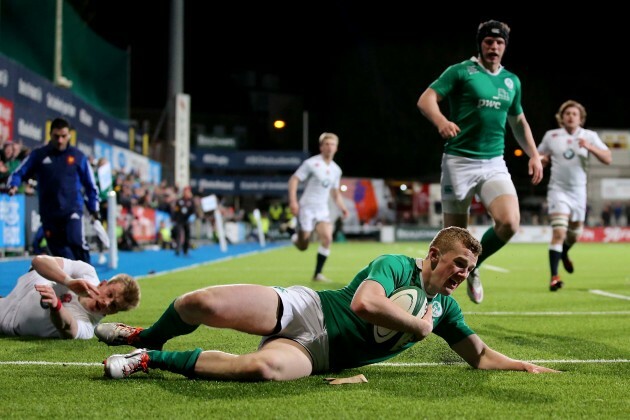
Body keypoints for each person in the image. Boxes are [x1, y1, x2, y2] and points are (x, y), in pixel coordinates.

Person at [94, 226, 559, 381]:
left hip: (317, 355)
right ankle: (147, 333)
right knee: (201, 302)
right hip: (307, 309)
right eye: (458, 264)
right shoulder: (396, 265)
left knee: (262, 371)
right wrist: (417, 328)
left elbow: (478, 356)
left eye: (469, 271)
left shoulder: (447, 312)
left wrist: (523, 366)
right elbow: (364, 303)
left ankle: (148, 358)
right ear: (435, 255)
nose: (462, 275)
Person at [417, 20, 543, 304]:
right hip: (458, 162)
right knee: (453, 243)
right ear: (481, 44)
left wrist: (534, 154)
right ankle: (427, 300)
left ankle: (475, 267)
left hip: (493, 163)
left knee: (509, 222)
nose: (494, 47)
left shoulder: (511, 81)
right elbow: (427, 99)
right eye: (489, 42)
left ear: (505, 47)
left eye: (499, 43)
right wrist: (441, 121)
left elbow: (518, 121)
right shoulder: (461, 71)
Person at [537, 100, 612, 291]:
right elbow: (539, 158)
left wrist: (590, 147)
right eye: (567, 113)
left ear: (581, 118)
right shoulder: (551, 136)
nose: (570, 116)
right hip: (558, 190)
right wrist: (542, 161)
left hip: (579, 192)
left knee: (575, 234)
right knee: (559, 233)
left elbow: (608, 158)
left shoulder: (589, 136)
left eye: (574, 114)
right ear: (561, 117)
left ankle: (563, 253)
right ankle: (554, 276)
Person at [7, 117, 101, 264]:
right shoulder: (39, 155)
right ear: (50, 134)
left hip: (72, 209)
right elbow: (19, 172)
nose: (60, 140)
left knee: (76, 241)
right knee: (61, 254)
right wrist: (13, 184)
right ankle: (71, 283)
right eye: (57, 136)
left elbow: (91, 185)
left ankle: (90, 279)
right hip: (49, 214)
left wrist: (94, 208)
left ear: (69, 135)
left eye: (64, 136)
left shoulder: (78, 156)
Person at [0, 255, 140, 340]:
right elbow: (38, 261)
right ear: (103, 283)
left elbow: (68, 328)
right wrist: (68, 281)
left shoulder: (88, 328)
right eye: (110, 294)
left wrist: (57, 306)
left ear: (114, 313)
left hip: (7, 319)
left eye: (114, 306)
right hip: (27, 285)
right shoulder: (86, 272)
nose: (106, 303)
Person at [287, 132, 350, 282]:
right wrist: (293, 201)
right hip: (307, 207)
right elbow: (294, 179)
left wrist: (343, 208)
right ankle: (293, 235)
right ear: (321, 147)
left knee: (327, 238)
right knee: (303, 246)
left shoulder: (336, 170)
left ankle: (317, 274)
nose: (329, 147)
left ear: (337, 148)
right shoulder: (311, 163)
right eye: (326, 144)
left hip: (322, 209)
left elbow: (335, 193)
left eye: (332, 144)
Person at [171, 186, 198, 256]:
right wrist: (173, 219)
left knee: (187, 236)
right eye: (186, 191)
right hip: (179, 220)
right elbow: (176, 211)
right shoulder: (179, 201)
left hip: (187, 221)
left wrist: (193, 216)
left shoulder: (191, 201)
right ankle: (177, 249)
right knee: (179, 234)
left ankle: (185, 250)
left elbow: (194, 210)